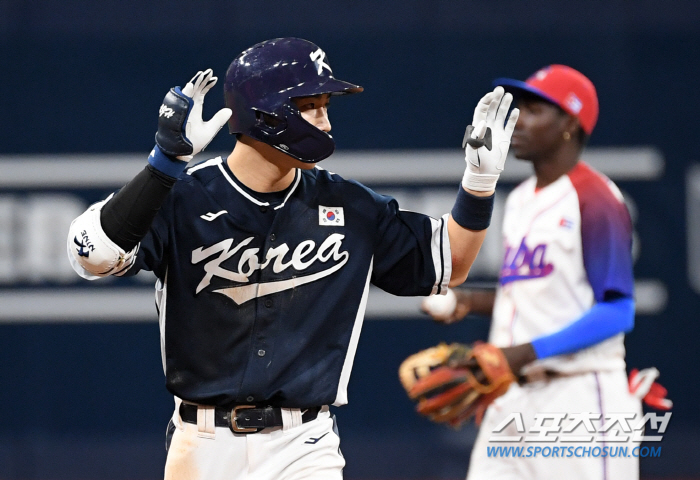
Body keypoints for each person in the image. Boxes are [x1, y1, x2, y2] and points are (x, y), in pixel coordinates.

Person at [67, 37, 519, 480]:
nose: (324, 123)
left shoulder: (350, 205)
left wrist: (479, 183)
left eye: (326, 106)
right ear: (265, 113)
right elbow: (92, 256)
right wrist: (164, 163)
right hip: (202, 446)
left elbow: (448, 263)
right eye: (310, 106)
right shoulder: (183, 196)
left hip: (304, 445)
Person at [421, 65, 642, 480]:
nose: (518, 118)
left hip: (578, 397)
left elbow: (618, 312)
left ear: (569, 124)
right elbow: (529, 296)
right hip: (509, 397)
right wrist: (467, 301)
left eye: (535, 109)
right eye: (518, 107)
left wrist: (520, 354)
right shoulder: (520, 200)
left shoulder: (595, 198)